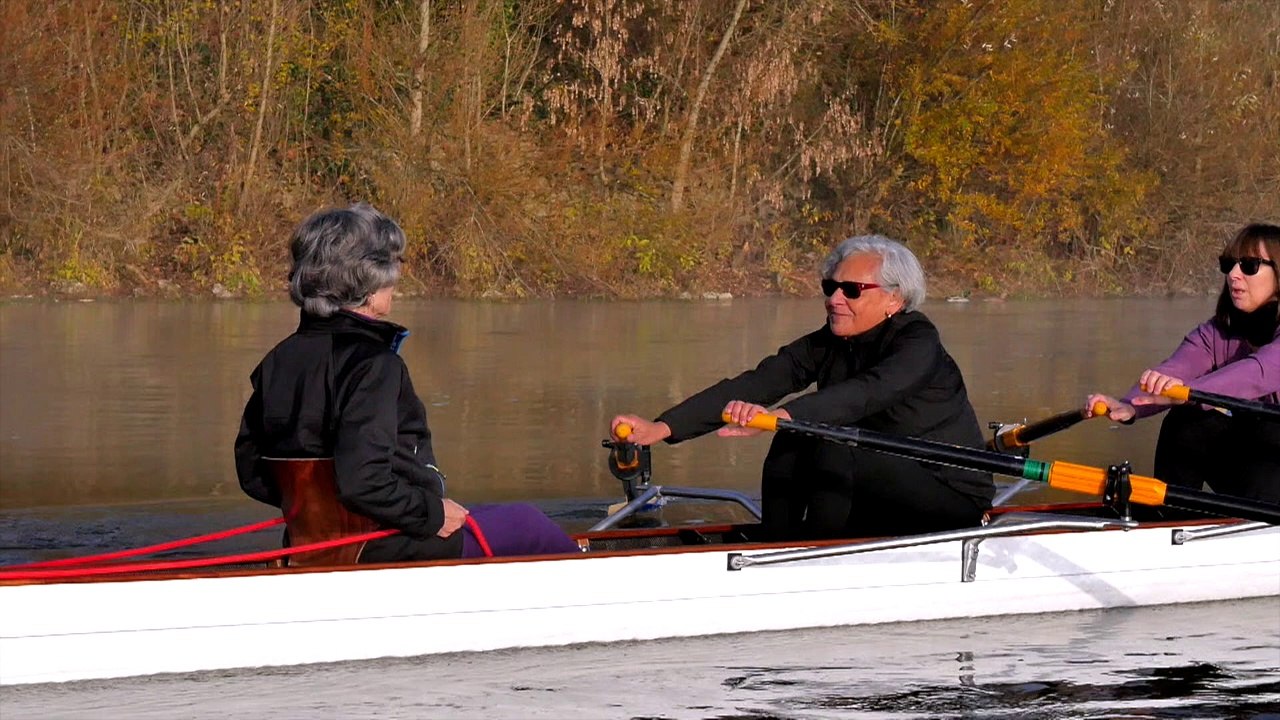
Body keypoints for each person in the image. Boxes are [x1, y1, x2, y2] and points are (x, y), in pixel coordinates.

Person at [235, 203, 579, 562]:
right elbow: (363, 482)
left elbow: (252, 471)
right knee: (527, 524)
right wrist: (428, 513)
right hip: (381, 546)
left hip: (308, 546)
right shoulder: (373, 365)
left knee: (497, 517)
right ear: (366, 282)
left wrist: (320, 513)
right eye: (391, 267)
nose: (397, 279)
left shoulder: (277, 360)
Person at [610, 235, 995, 540]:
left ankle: (813, 557)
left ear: (894, 298)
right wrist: (661, 428)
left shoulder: (918, 342)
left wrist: (784, 415)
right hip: (880, 481)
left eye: (852, 290)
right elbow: (759, 381)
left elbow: (869, 391)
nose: (834, 299)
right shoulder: (828, 341)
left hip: (949, 492)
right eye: (830, 287)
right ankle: (776, 545)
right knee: (793, 436)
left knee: (821, 436)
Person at [1086, 223, 1280, 504]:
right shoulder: (1216, 332)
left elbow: (1258, 373)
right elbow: (1175, 370)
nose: (1233, 275)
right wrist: (1130, 405)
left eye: (1249, 265)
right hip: (1258, 472)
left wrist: (1187, 393)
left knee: (1270, 428)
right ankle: (1169, 518)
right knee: (1186, 421)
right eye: (1229, 264)